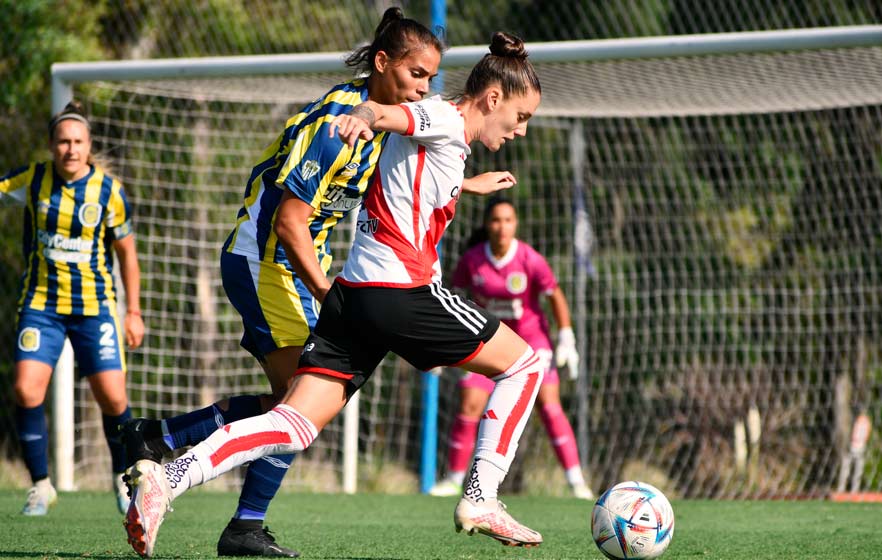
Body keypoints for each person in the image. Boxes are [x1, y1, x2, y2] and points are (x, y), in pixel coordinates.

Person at [122, 31, 542, 558]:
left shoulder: (441, 129)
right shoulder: (445, 117)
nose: (520, 131)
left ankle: (169, 477)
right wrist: (367, 116)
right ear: (494, 98)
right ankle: (482, 496)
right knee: (525, 366)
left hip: (352, 296)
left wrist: (466, 183)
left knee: (291, 422)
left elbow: (406, 161)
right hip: (402, 291)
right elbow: (399, 118)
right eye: (521, 117)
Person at [0, 101, 145, 516]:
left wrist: (133, 312)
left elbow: (128, 254)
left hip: (95, 308)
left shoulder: (108, 191)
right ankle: (41, 486)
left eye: (78, 141)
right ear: (51, 145)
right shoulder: (33, 180)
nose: (70, 149)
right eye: (63, 141)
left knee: (114, 399)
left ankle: (123, 478)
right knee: (27, 389)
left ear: (89, 145)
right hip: (40, 306)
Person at [428, 197, 594, 500]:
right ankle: (453, 479)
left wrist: (566, 336)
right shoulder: (473, 260)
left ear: (515, 224)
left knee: (548, 403)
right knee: (470, 401)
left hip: (532, 340)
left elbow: (554, 296)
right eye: (495, 220)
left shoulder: (530, 259)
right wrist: (441, 341)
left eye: (508, 220)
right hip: (491, 341)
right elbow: (449, 294)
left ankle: (576, 482)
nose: (502, 227)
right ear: (487, 225)